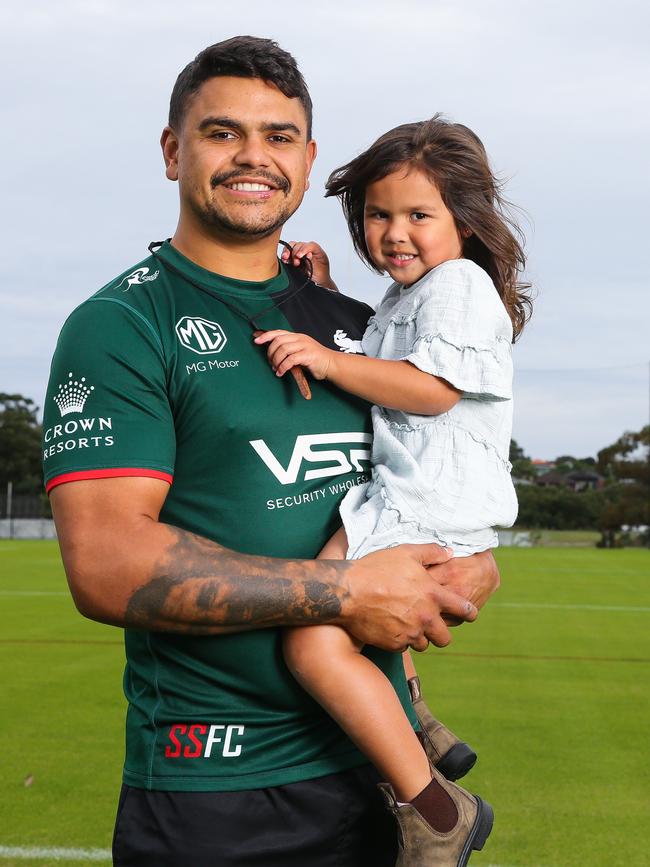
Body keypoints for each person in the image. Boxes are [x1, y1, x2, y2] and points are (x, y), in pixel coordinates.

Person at [42, 37, 499, 867]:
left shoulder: (353, 322)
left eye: (279, 136)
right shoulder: (120, 326)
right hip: (218, 793)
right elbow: (107, 561)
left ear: (309, 156)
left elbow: (440, 450)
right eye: (223, 133)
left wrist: (472, 560)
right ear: (174, 149)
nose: (254, 155)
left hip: (377, 781)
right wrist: (345, 591)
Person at [256, 116, 532, 865]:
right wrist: (329, 294)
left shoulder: (461, 284)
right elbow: (386, 350)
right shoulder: (409, 295)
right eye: (379, 214)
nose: (395, 231)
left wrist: (324, 357)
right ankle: (416, 721)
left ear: (464, 222)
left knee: (312, 637)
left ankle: (436, 809)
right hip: (403, 492)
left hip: (430, 500)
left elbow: (430, 388)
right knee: (336, 601)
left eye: (419, 215)